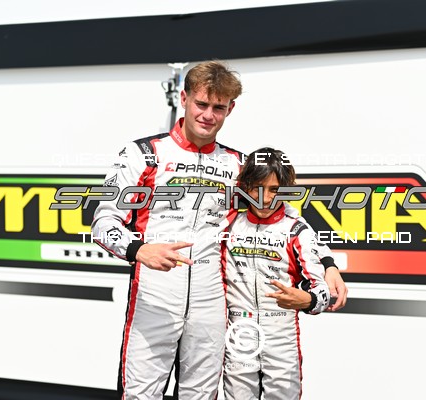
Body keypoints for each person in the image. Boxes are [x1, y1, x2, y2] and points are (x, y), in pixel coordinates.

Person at [91, 61, 347, 400]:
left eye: (218, 107)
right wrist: (139, 250)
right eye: (201, 104)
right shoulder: (143, 153)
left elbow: (287, 216)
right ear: (184, 99)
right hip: (154, 290)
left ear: (230, 109)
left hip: (211, 296)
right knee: (140, 393)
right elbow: (103, 223)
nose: (208, 115)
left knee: (201, 393)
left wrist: (328, 265)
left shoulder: (238, 164)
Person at [221, 148, 336, 400]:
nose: (264, 198)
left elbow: (323, 291)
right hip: (239, 333)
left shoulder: (297, 231)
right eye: (257, 188)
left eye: (274, 190)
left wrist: (309, 300)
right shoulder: (228, 226)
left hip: (282, 336)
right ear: (245, 187)